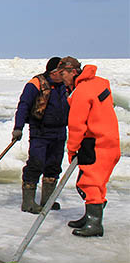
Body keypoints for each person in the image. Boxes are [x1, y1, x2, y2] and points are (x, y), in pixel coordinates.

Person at [56, 56, 120, 237]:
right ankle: (89, 217)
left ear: (73, 72)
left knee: (88, 183)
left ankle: (94, 223)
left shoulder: (81, 92)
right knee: (98, 183)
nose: (61, 78)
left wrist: (72, 149)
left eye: (63, 74)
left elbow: (77, 125)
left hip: (96, 143)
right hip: (110, 142)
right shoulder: (98, 83)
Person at [12, 57, 70, 214]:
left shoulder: (66, 86)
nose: (63, 75)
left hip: (59, 132)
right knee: (36, 164)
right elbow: (24, 105)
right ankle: (28, 202)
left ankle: (47, 200)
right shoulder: (36, 84)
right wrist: (18, 127)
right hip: (40, 131)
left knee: (54, 165)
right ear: (53, 72)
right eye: (60, 72)